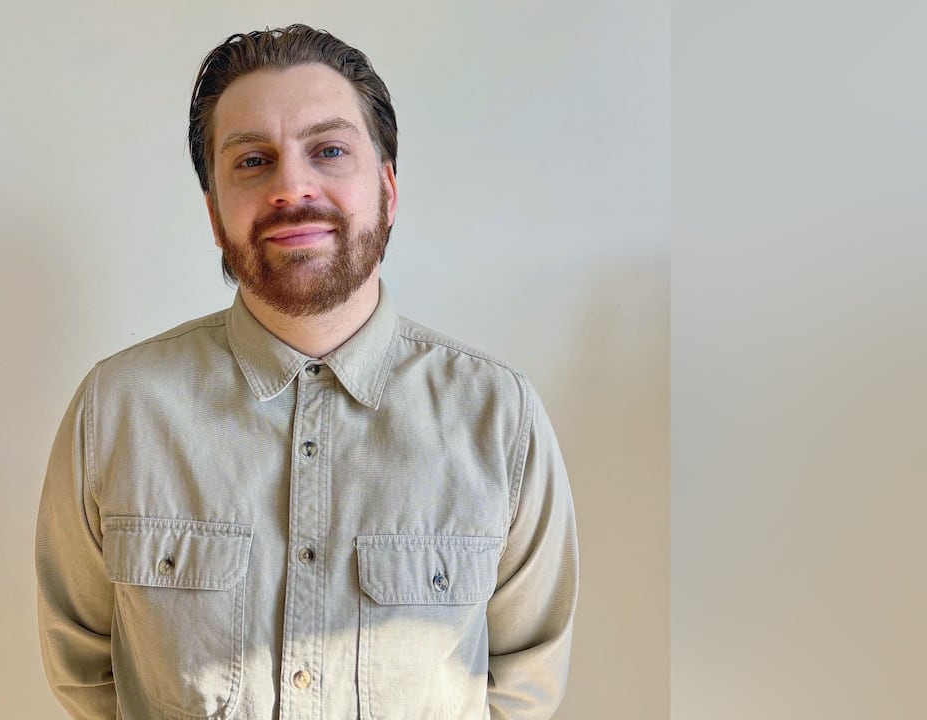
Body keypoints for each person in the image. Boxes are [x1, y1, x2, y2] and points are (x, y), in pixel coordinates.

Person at [35, 24, 578, 720]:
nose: (292, 186)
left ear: (386, 187)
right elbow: (84, 670)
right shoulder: (115, 411)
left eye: (327, 150)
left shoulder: (499, 415)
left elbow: (525, 678)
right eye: (253, 161)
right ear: (213, 214)